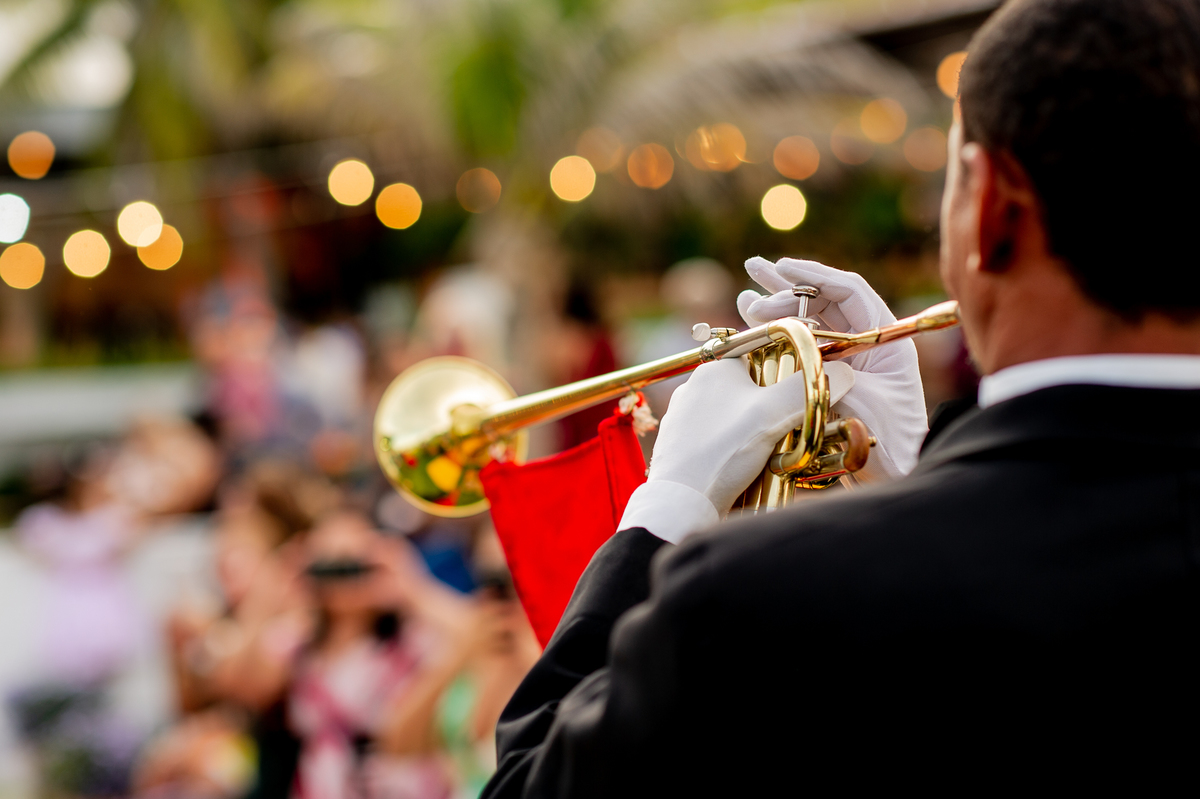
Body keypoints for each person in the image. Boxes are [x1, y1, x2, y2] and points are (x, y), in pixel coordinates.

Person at [482, 0, 1200, 794]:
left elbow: (527, 781)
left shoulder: (758, 593)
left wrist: (670, 502)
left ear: (992, 207)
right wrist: (915, 475)